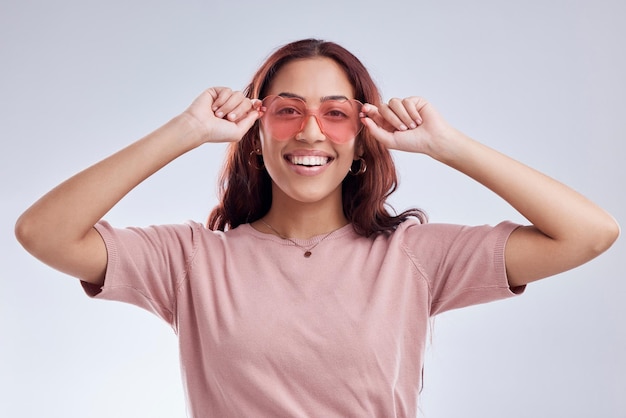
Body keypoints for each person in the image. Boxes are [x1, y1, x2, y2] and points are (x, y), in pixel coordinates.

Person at [15, 38, 619, 417]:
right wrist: (186, 131)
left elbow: (589, 233)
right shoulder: (192, 261)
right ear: (256, 135)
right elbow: (43, 233)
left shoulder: (411, 257)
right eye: (287, 112)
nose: (309, 132)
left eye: (335, 114)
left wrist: (447, 145)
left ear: (361, 140)